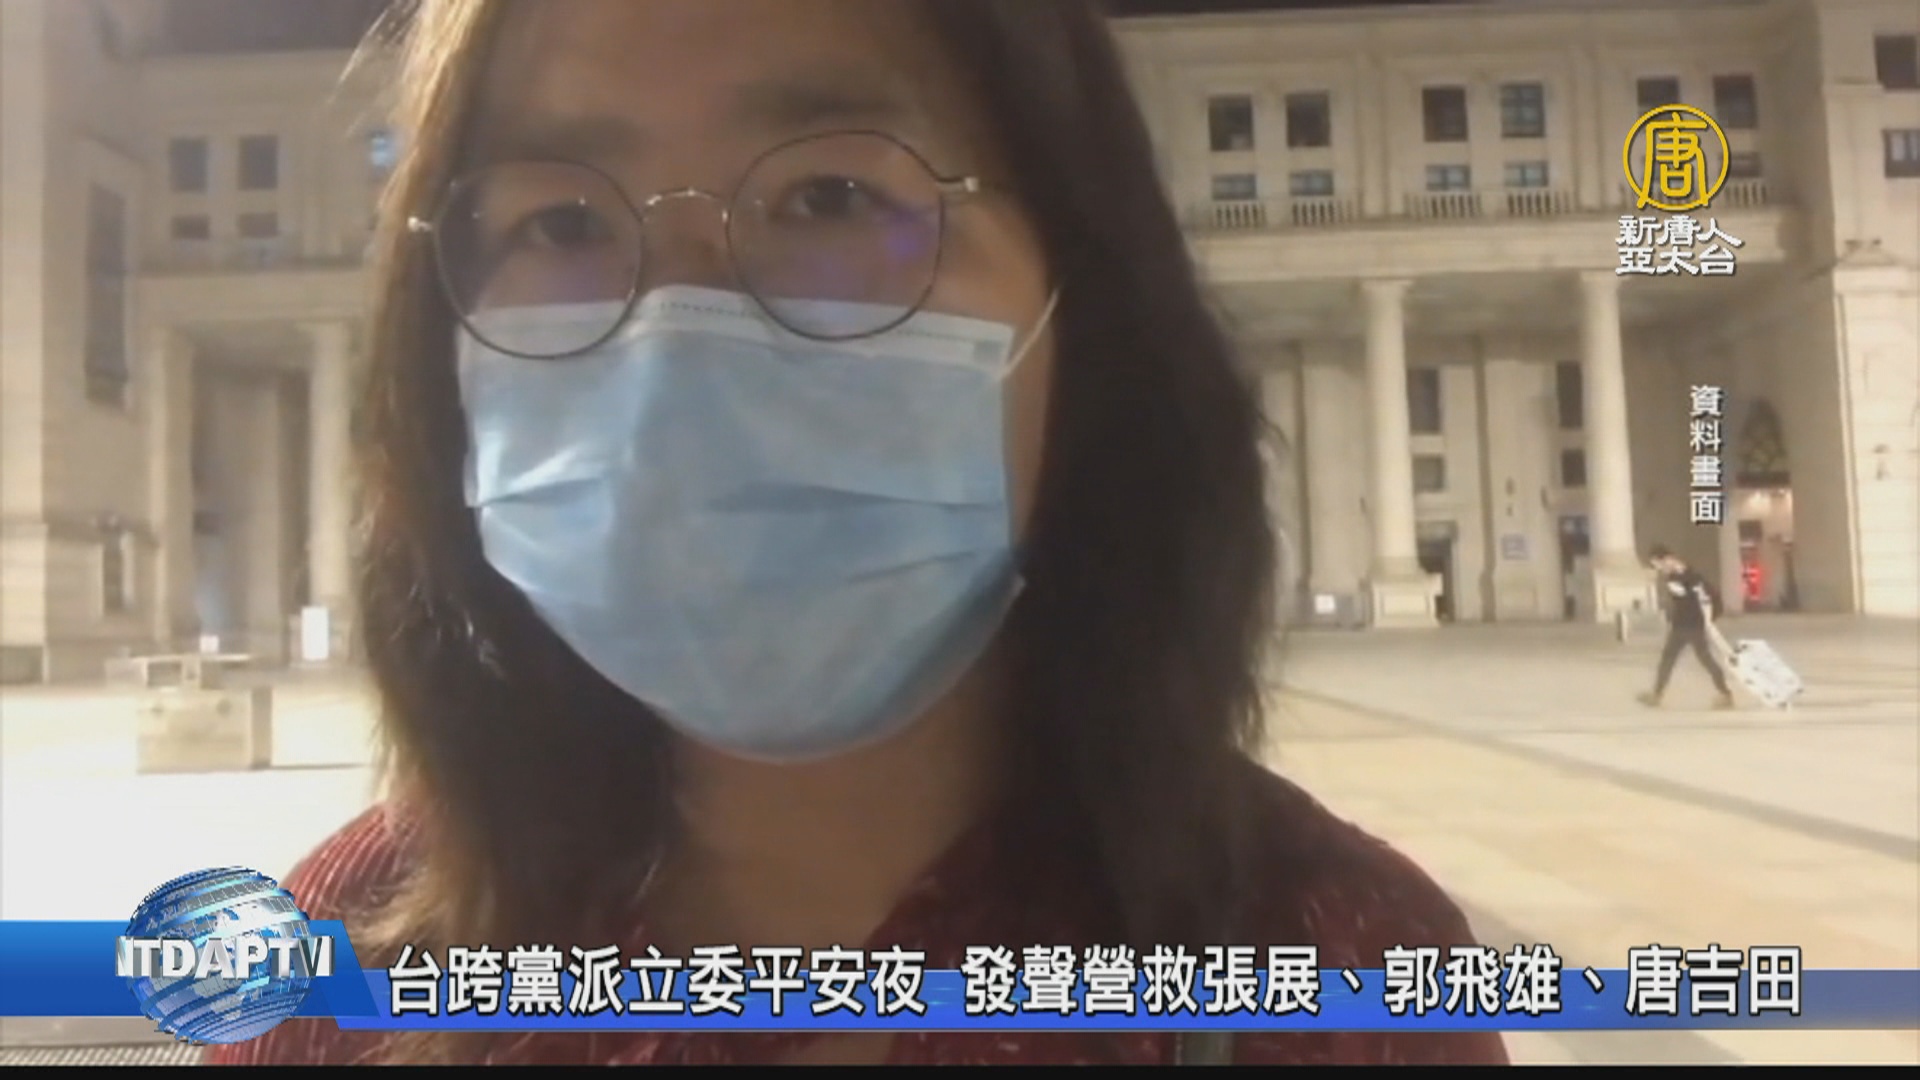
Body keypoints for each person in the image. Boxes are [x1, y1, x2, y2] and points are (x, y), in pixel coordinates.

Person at [210, 0, 1508, 1066]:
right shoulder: (324, 978)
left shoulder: (1347, 978)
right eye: (560, 223)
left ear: (1083, 303)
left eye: (830, 195)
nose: (676, 343)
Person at [1638, 545, 1736, 710]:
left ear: (1666, 559)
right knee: (1678, 659)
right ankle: (1657, 694)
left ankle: (1725, 694)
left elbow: (1698, 599)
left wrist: (1707, 619)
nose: (1659, 569)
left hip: (1689, 625)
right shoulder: (1681, 575)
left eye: (1658, 564)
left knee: (1695, 659)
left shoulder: (1684, 577)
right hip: (1686, 624)